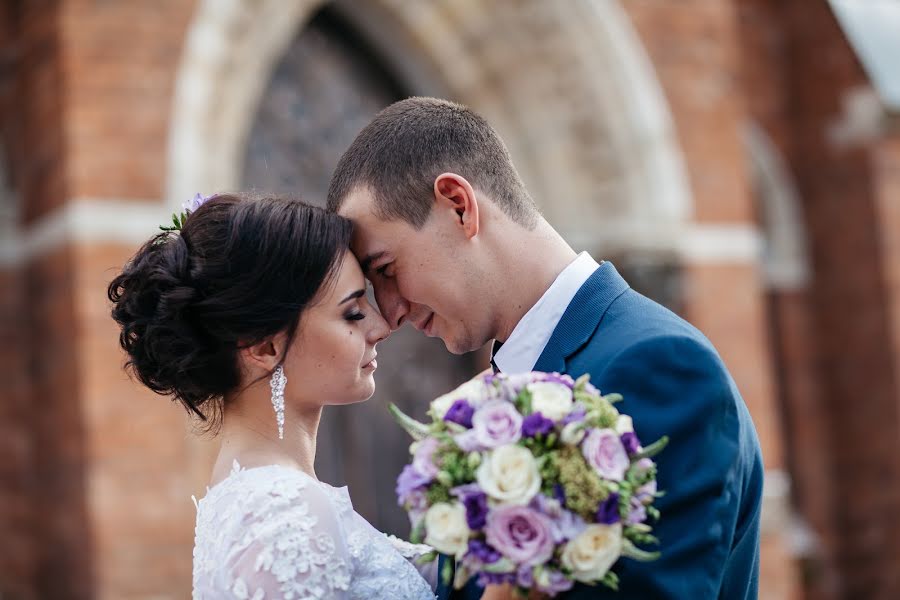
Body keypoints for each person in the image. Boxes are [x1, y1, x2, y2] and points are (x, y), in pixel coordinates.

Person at [328, 97, 764, 600]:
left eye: (386, 269)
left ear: (458, 205)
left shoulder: (658, 366)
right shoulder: (492, 396)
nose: (390, 312)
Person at [107, 193, 436, 599]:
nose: (382, 325)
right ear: (263, 348)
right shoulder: (284, 514)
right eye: (352, 312)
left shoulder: (262, 500)